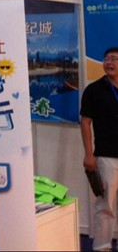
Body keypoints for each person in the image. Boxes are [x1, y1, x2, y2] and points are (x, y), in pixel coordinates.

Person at [81, 47, 118, 251]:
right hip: (106, 157)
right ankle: (102, 247)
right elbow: (85, 122)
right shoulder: (93, 90)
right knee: (105, 206)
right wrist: (89, 154)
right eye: (107, 59)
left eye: (114, 59)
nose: (109, 62)